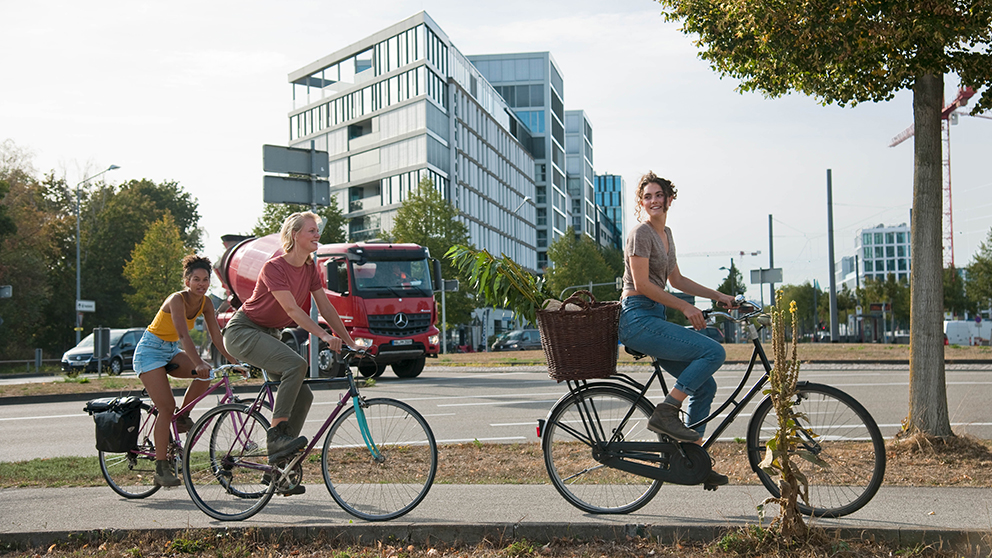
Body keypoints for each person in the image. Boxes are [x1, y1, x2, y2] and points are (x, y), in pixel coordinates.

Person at [223, 211, 357, 495]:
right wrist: (323, 335)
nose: (317, 234)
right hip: (243, 331)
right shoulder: (274, 267)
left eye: (317, 230)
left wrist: (350, 342)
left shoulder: (309, 268)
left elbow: (326, 308)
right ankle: (276, 438)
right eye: (311, 230)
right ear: (295, 235)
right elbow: (292, 310)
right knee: (296, 365)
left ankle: (280, 468)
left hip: (269, 334)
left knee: (304, 395)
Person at [617, 171, 736, 489]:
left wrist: (720, 296)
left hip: (654, 316)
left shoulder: (665, 234)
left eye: (659, 195)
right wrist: (685, 307)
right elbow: (642, 284)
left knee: (705, 387)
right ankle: (667, 411)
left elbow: (677, 280)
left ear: (670, 199)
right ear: (641, 203)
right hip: (637, 319)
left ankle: (692, 459)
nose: (654, 201)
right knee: (713, 352)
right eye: (647, 197)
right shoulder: (641, 233)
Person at [133, 254, 239, 488]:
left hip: (170, 350)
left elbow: (216, 336)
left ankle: (182, 418)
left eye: (205, 279)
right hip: (149, 351)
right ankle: (161, 467)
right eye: (196, 279)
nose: (201, 284)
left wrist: (234, 360)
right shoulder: (176, 299)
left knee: (208, 374)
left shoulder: (206, 303)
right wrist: (198, 362)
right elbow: (183, 335)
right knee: (166, 407)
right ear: (187, 281)